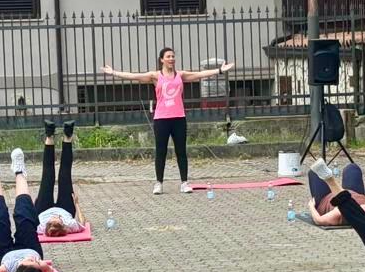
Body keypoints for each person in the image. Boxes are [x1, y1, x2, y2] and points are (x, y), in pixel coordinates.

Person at [101, 49, 234, 194]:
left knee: (181, 151)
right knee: (161, 151)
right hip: (161, 119)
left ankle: (184, 183)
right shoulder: (155, 76)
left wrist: (220, 70)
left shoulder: (180, 75)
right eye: (168, 56)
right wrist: (114, 72)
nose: (171, 59)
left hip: (178, 118)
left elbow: (199, 74)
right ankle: (159, 183)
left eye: (173, 56)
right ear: (162, 60)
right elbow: (134, 76)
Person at [0, 148, 56, 272]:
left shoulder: (6, 269)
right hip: (29, 246)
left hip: (2, 254)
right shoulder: (40, 266)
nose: (34, 260)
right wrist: (41, 265)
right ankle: (20, 172)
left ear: (20, 267)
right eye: (37, 262)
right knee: (25, 214)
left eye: (31, 262)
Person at [37, 121, 86, 237]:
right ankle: (68, 135)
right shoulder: (69, 225)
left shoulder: (41, 227)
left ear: (47, 224)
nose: (54, 217)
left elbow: (27, 224)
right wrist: (77, 204)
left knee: (47, 176)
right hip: (66, 208)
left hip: (43, 209)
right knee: (65, 175)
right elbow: (82, 222)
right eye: (57, 221)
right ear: (62, 224)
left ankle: (49, 134)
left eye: (51, 222)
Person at [305, 161, 365, 226]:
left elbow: (319, 220)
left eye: (364, 209)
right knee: (352, 167)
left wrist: (311, 206)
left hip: (327, 199)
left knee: (314, 172)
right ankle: (329, 178)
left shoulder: (339, 214)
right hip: (353, 192)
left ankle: (329, 179)